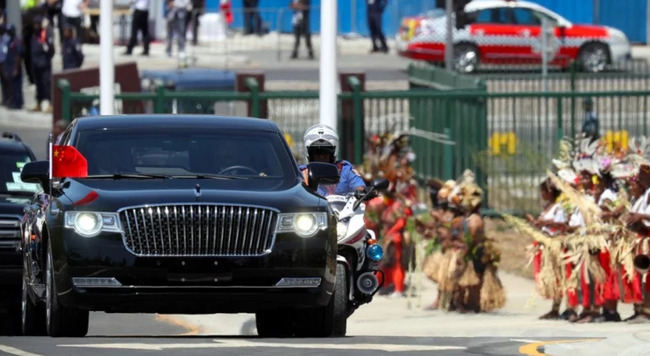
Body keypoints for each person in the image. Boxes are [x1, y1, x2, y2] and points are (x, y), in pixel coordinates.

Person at [299, 124, 366, 197]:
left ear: (333, 152)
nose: (322, 156)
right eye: (317, 152)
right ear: (309, 153)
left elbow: (360, 187)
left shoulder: (344, 169)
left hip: (342, 208)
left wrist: (363, 192)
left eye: (326, 152)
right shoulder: (301, 173)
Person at [30, 15, 54, 113]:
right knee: (38, 84)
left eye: (37, 24)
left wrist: (46, 59)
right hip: (36, 64)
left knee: (46, 84)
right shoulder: (34, 35)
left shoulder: (45, 34)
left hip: (44, 64)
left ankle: (49, 104)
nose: (36, 26)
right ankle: (39, 103)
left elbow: (51, 49)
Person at [3, 24, 24, 109]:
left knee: (16, 86)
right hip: (10, 66)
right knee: (12, 86)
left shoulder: (16, 41)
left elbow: (18, 56)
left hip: (15, 66)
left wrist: (16, 68)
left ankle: (18, 103)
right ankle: (13, 101)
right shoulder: (9, 41)